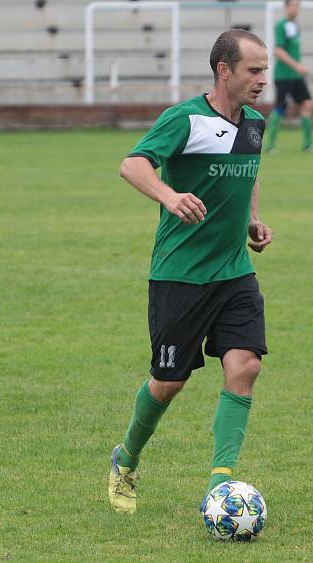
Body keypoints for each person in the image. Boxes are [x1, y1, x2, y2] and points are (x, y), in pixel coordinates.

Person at [108, 29, 273, 515]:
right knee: (168, 382)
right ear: (224, 70)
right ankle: (126, 458)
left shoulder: (255, 124)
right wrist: (170, 196)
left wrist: (252, 220)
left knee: (245, 367)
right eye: (254, 71)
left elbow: (250, 170)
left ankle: (221, 484)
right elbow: (132, 165)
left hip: (233, 272)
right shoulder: (185, 118)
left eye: (265, 70)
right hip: (180, 274)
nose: (263, 80)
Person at [264, 0, 313, 155]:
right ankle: (269, 145)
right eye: (292, 5)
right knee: (281, 106)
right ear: (286, 7)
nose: (295, 8)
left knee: (307, 104)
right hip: (284, 75)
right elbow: (278, 50)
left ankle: (308, 145)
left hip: (296, 76)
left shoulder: (296, 25)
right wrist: (297, 66)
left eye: (297, 5)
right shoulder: (281, 25)